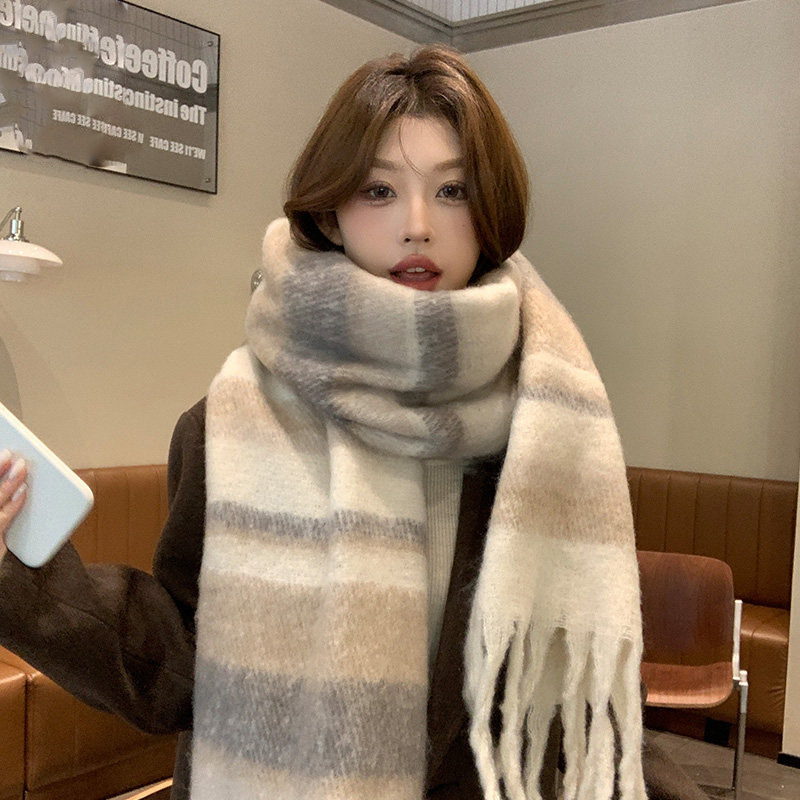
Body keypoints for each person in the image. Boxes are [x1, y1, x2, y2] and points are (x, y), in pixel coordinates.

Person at [0, 46, 708, 800]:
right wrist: (15, 582)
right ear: (330, 211)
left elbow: (591, 714)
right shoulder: (229, 424)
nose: (417, 226)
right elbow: (175, 666)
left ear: (490, 211)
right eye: (378, 189)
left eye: (453, 190)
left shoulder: (548, 428)